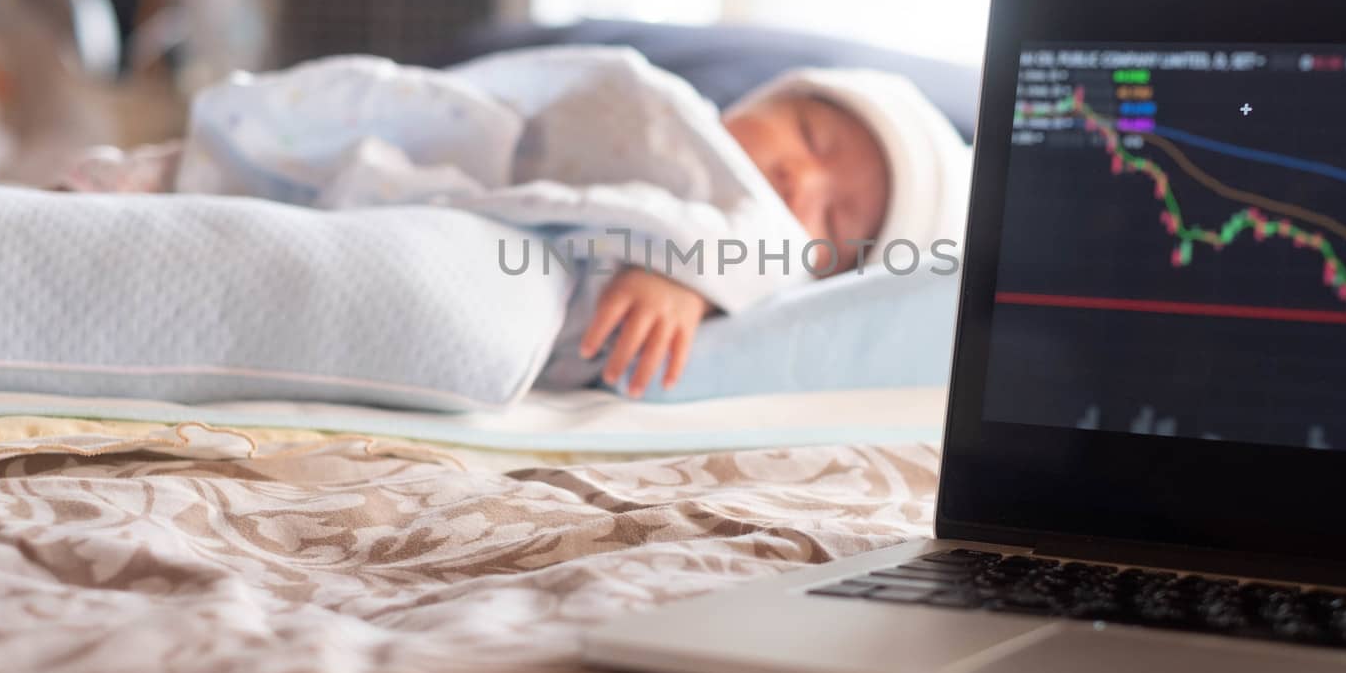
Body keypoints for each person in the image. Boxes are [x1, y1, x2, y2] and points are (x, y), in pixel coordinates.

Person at [62, 49, 969, 396]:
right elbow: (580, 94)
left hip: (455, 250)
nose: (794, 175)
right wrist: (689, 245)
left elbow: (763, 261)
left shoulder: (758, 258)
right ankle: (183, 174)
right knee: (352, 144)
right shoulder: (672, 120)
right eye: (808, 133)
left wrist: (686, 267)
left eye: (837, 213)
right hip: (469, 161)